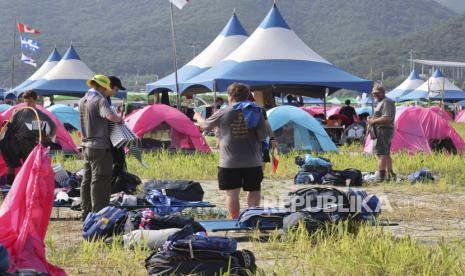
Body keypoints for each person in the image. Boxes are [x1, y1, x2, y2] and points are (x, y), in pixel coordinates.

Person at [194, 83, 267, 219]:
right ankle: (252, 220)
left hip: (229, 162)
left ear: (230, 96)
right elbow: (263, 136)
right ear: (247, 96)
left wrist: (198, 117)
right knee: (254, 191)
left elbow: (205, 126)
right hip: (253, 161)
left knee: (232, 194)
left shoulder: (224, 111)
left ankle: (235, 221)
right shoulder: (256, 111)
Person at [79, 74, 123, 219]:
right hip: (99, 146)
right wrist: (120, 118)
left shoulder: (83, 99)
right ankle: (99, 215)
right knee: (100, 181)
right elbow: (110, 117)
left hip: (86, 145)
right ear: (104, 87)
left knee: (87, 180)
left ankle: (86, 212)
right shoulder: (100, 100)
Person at [3, 90, 57, 185]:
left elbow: (54, 127)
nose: (28, 103)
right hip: (17, 143)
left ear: (35, 100)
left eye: (30, 100)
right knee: (11, 166)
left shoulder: (41, 115)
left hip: (31, 144)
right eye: (26, 100)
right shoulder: (17, 112)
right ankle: (10, 188)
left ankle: (29, 187)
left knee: (29, 167)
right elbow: (11, 126)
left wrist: (49, 138)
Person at [367, 87, 396, 181]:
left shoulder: (386, 102)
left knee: (381, 153)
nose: (375, 95)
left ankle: (381, 176)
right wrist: (372, 119)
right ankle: (390, 174)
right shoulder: (382, 102)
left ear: (383, 92)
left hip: (382, 130)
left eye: (377, 93)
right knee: (385, 153)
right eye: (373, 93)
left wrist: (373, 121)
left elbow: (386, 118)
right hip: (382, 129)